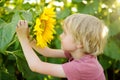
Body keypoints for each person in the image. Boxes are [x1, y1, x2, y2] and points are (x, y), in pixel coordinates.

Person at [16, 13, 108, 80]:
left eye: (65, 33)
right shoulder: (80, 53)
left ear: (79, 43)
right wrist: (29, 38)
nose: (61, 36)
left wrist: (23, 39)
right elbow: (47, 52)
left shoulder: (84, 67)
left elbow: (36, 66)